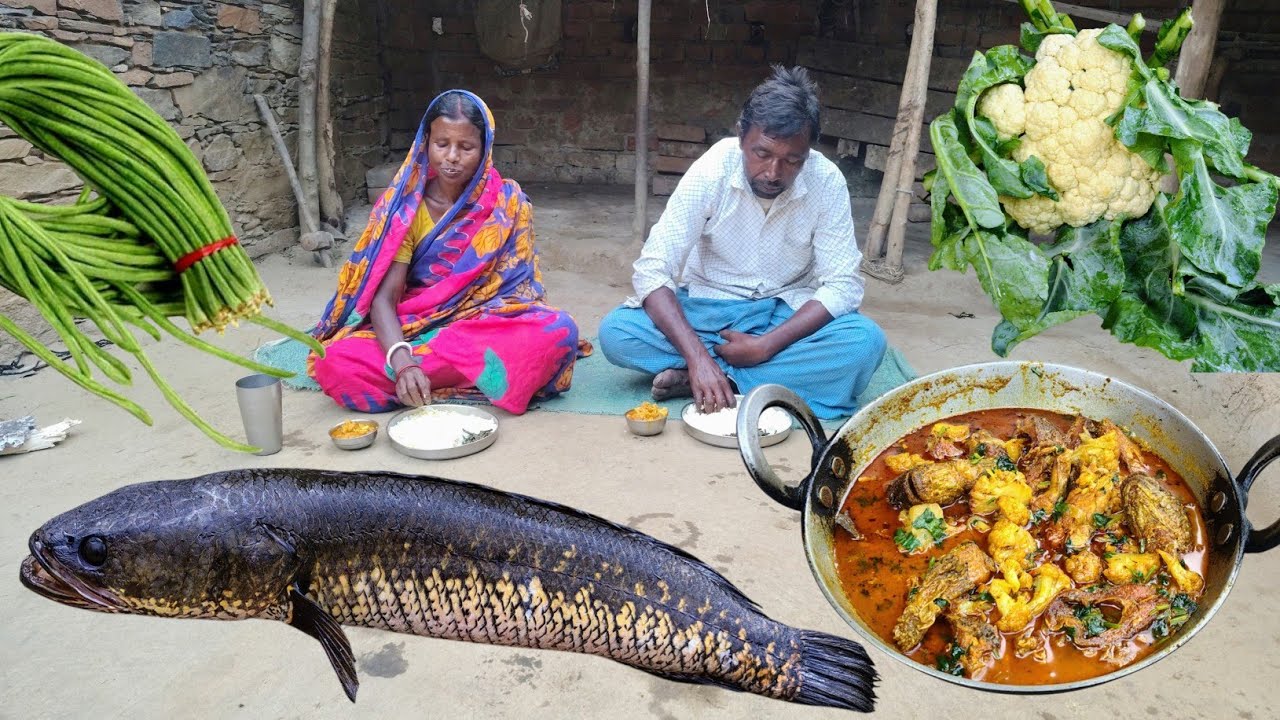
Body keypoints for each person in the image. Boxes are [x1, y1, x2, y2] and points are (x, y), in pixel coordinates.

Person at [598, 66, 885, 420]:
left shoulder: (826, 181)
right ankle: (728, 375)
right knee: (617, 333)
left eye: (792, 160)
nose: (773, 172)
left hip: (784, 313)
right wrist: (698, 356)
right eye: (762, 153)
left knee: (864, 343)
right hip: (707, 310)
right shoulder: (712, 170)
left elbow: (842, 284)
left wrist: (766, 345)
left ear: (808, 151)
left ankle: (718, 381)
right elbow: (653, 270)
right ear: (740, 136)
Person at [308, 90, 586, 414]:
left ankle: (427, 382)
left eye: (466, 147)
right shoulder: (404, 209)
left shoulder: (507, 201)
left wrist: (419, 359)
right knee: (334, 362)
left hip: (479, 327)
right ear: (425, 142)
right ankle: (472, 376)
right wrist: (402, 360)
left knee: (559, 331)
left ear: (485, 150)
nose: (451, 156)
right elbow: (384, 299)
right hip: (414, 328)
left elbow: (518, 294)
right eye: (442, 144)